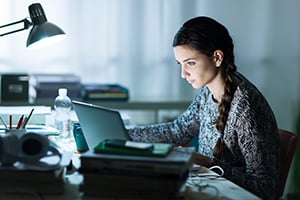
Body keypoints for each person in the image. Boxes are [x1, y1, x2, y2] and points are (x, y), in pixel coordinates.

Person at [127, 16, 280, 200]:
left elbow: (264, 189)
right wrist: (125, 134)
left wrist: (208, 163)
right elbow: (178, 131)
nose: (183, 74)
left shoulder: (246, 109)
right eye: (180, 64)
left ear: (217, 57)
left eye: (190, 63)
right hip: (211, 191)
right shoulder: (209, 91)